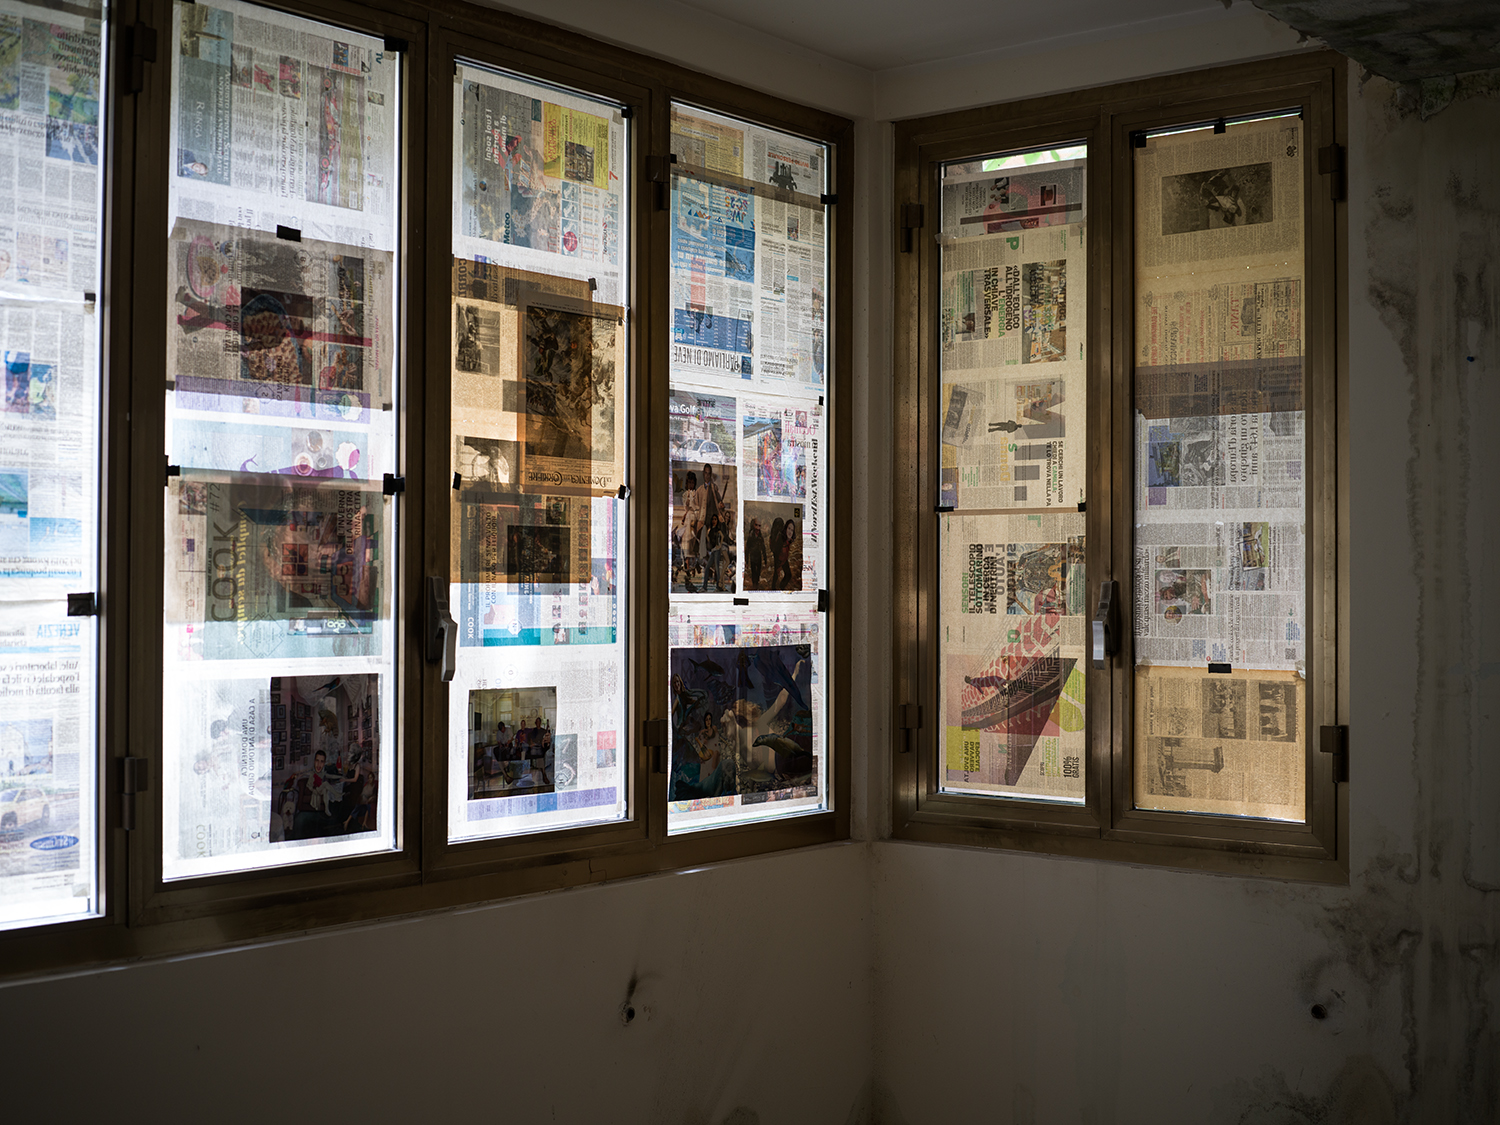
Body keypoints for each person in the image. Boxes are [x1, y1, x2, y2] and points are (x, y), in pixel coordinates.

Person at [745, 518, 765, 588]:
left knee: (758, 572)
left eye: (759, 526)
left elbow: (763, 547)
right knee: (754, 572)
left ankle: (757, 583)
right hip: (753, 556)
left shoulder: (760, 536)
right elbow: (747, 549)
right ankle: (754, 585)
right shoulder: (751, 536)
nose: (758, 528)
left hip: (758, 556)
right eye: (756, 525)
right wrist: (747, 561)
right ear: (753, 525)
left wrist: (765, 558)